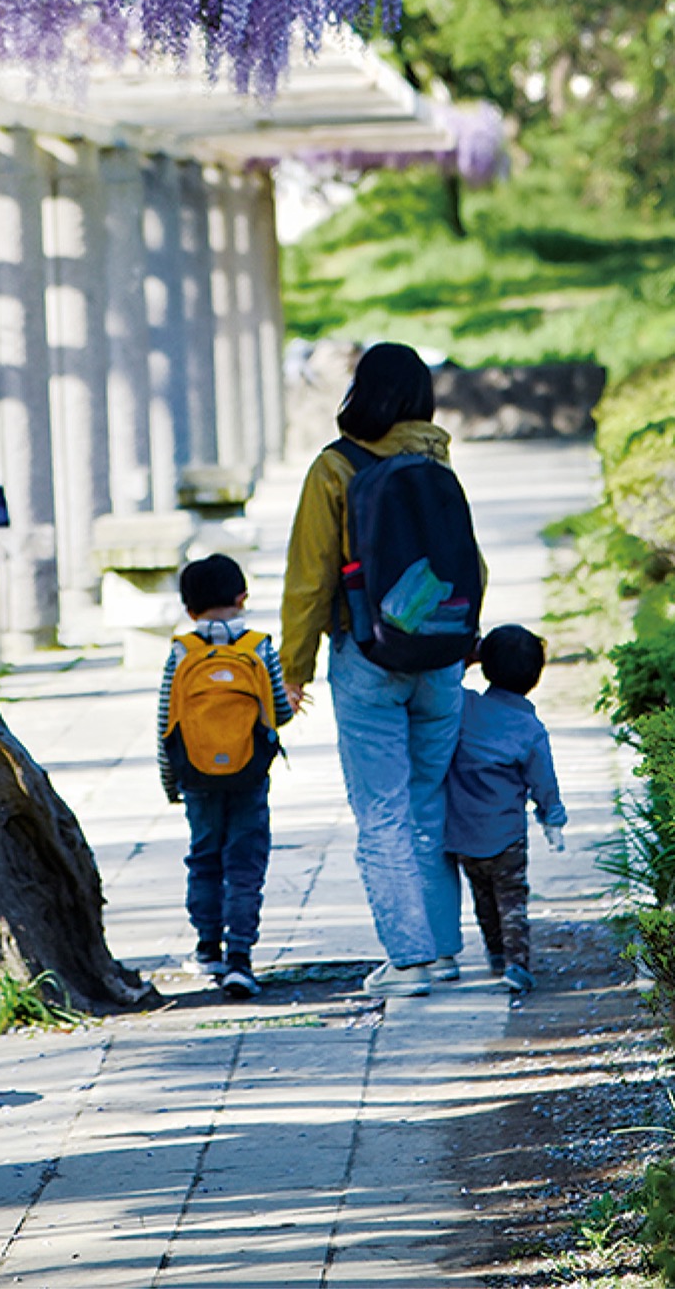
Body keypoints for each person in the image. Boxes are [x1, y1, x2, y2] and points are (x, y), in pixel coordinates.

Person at [280, 340, 480, 998]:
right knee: (427, 801)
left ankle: (410, 960)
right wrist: (459, 636)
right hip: (441, 656)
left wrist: (295, 666)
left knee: (383, 810)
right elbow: (471, 566)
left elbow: (309, 578)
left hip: (366, 652)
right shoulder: (434, 457)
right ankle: (444, 951)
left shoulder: (335, 467)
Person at [158, 552, 293, 1001]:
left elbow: (167, 722)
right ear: (242, 597)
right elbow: (279, 713)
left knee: (204, 858)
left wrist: (170, 781)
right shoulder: (258, 646)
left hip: (196, 775)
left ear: (188, 607)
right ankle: (241, 958)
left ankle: (207, 949)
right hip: (250, 774)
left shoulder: (182, 651)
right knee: (245, 863)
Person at [445, 623, 566, 994]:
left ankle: (495, 954)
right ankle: (517, 965)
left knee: (483, 898)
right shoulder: (530, 728)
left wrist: (468, 656)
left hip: (461, 831)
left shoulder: (462, 707)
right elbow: (544, 782)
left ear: (483, 665)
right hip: (506, 834)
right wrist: (553, 820)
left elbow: (444, 682)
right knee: (512, 899)